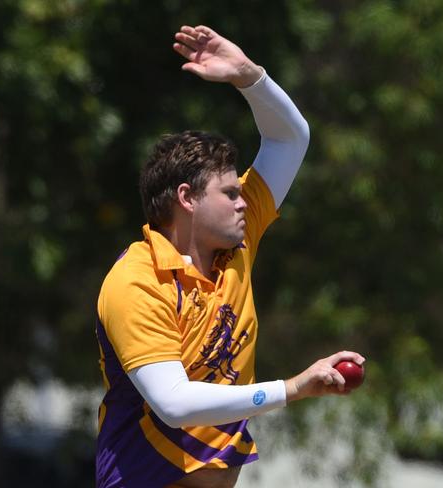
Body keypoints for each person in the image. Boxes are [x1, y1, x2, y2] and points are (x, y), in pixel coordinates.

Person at [95, 25, 365, 488]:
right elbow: (174, 405)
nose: (245, 202)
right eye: (229, 193)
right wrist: (292, 389)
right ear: (187, 198)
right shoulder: (136, 280)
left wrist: (248, 76)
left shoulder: (235, 247)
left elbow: (289, 139)